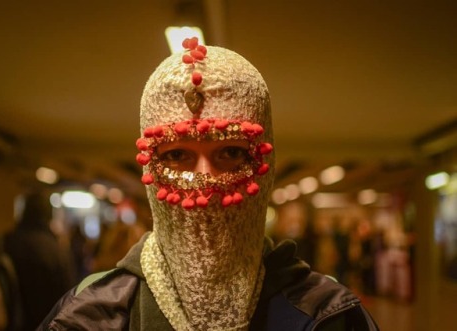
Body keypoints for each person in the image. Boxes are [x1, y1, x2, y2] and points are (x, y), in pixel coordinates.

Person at [38, 38, 378, 330]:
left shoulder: (329, 316)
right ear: (149, 164)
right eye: (176, 156)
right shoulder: (88, 317)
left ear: (265, 163)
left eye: (230, 152)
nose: (205, 181)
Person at [4, 190, 76, 330]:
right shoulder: (56, 250)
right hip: (43, 323)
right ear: (48, 215)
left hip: (7, 323)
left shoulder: (6, 242)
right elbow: (68, 295)